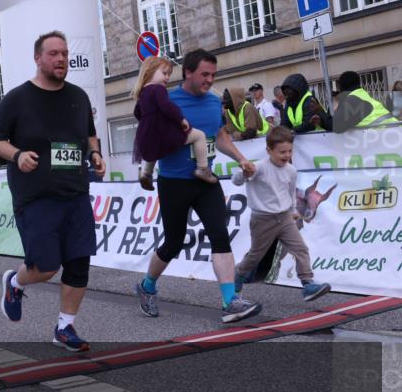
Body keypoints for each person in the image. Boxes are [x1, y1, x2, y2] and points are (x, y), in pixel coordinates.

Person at [0, 30, 106, 351]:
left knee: (79, 263)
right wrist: (18, 155)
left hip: (76, 193)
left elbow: (90, 135)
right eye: (53, 54)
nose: (61, 59)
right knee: (46, 267)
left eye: (65, 53)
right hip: (36, 196)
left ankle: (65, 328)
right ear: (38, 58)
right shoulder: (18, 98)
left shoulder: (79, 97)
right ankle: (15, 282)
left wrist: (95, 154)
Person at [135, 48, 263, 324]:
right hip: (174, 182)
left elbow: (220, 136)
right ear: (188, 72)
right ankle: (147, 286)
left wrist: (241, 159)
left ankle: (230, 301)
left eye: (213, 75)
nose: (209, 80)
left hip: (206, 181)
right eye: (205, 74)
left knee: (220, 234)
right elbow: (148, 134)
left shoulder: (214, 102)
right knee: (173, 242)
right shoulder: (165, 99)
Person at [230, 126, 331, 302]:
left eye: (290, 151)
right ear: (269, 150)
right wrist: (244, 173)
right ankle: (238, 275)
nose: (286, 155)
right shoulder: (258, 168)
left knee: (300, 249)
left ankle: (308, 284)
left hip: (284, 218)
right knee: (255, 255)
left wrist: (293, 210)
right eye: (282, 152)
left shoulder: (291, 170)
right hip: (263, 220)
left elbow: (291, 192)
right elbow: (236, 181)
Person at [131, 55, 218, 191]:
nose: (167, 78)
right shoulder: (158, 89)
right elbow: (167, 106)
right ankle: (202, 168)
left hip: (148, 133)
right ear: (149, 72)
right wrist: (180, 119)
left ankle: (146, 174)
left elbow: (137, 113)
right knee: (199, 136)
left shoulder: (143, 92)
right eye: (164, 73)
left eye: (168, 75)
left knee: (154, 148)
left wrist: (148, 121)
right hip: (164, 133)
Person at [332, 70, 400, 132]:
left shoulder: (352, 101)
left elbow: (336, 126)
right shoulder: (363, 95)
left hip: (388, 134)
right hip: (395, 130)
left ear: (342, 87)